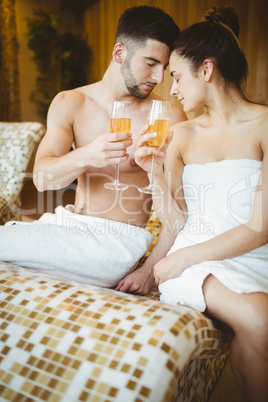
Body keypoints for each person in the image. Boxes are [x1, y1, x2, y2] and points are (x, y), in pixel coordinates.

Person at [134, 6, 268, 402]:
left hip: (253, 255)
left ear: (206, 70)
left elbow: (261, 227)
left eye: (176, 76)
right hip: (195, 264)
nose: (171, 89)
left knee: (253, 331)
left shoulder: (264, 126)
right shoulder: (181, 136)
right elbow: (174, 219)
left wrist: (183, 256)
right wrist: (152, 172)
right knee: (260, 320)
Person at [0, 6, 186, 288]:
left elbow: (180, 210)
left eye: (165, 68)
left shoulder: (167, 117)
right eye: (150, 63)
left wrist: (149, 271)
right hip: (67, 227)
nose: (159, 78)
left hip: (114, 243)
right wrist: (88, 154)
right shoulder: (70, 103)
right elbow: (42, 180)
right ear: (120, 53)